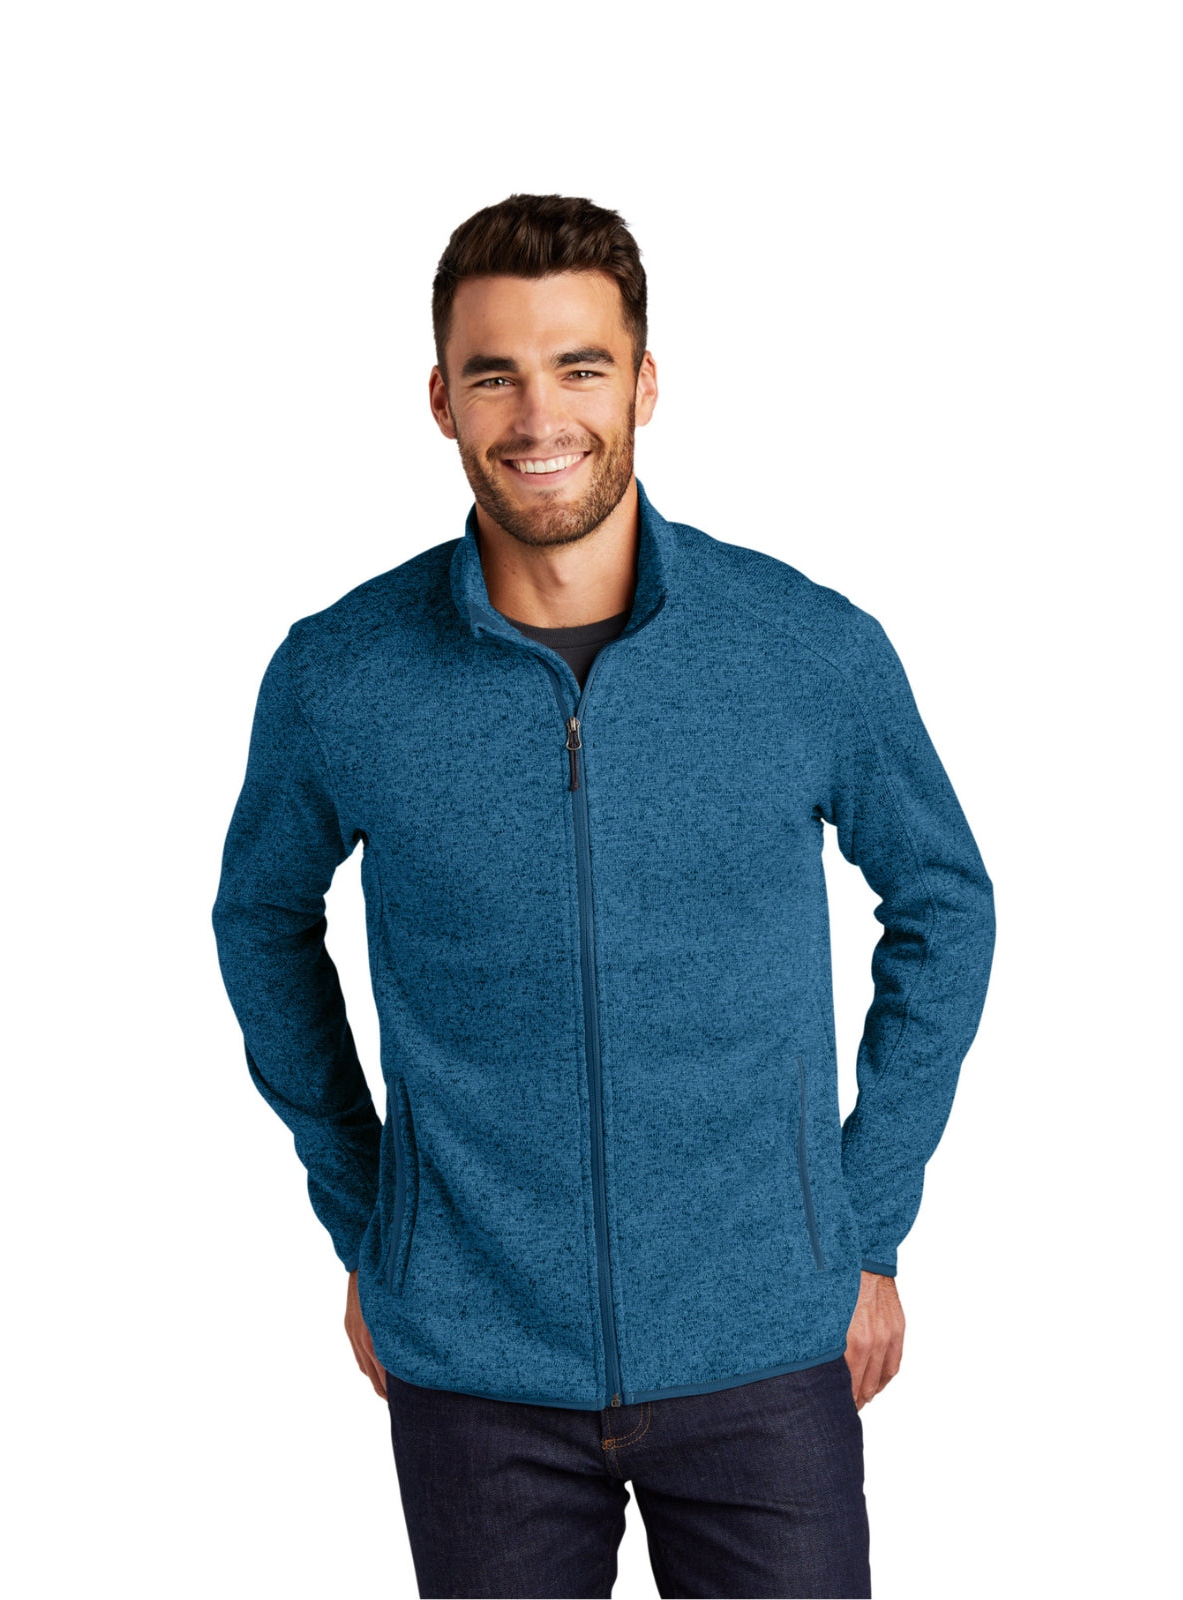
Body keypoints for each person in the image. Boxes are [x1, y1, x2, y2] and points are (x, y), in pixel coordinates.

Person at [212, 192, 996, 1599]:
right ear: (440, 400)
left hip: (765, 1345)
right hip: (476, 1369)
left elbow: (945, 901)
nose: (539, 416)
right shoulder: (343, 674)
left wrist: (862, 1224)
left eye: (579, 366)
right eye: (495, 374)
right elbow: (260, 921)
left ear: (644, 383)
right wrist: (371, 1218)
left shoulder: (804, 649)